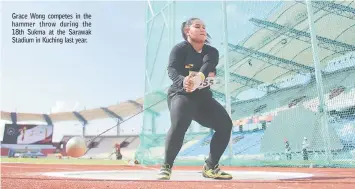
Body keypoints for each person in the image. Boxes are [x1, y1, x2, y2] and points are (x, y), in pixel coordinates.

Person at [156, 17, 233, 180]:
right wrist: (183, 81)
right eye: (197, 26)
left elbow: (208, 65)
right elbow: (172, 69)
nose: (203, 29)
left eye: (204, 27)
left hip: (203, 99)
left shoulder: (212, 52)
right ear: (187, 31)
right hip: (180, 95)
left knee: (225, 125)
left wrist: (198, 78)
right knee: (180, 123)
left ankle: (211, 167)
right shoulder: (179, 49)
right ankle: (166, 166)